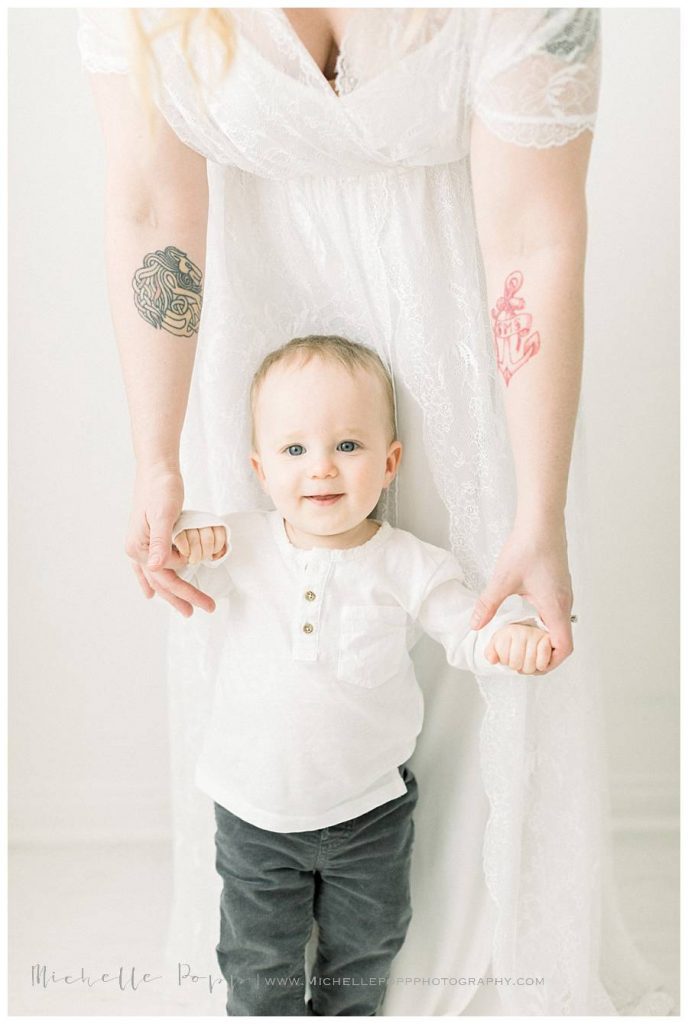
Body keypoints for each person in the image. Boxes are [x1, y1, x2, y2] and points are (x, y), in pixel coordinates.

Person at [76, 7, 673, 1015]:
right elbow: (149, 207)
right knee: (282, 680)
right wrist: (156, 455)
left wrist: (538, 502)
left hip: (463, 348)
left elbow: (531, 235)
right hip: (262, 374)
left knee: (472, 640)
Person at [168, 335, 551, 1015]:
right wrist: (186, 532)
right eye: (294, 450)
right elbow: (177, 559)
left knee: (366, 952)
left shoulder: (405, 562)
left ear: (389, 462)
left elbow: (465, 622)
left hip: (369, 814)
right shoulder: (244, 542)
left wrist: (509, 633)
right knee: (259, 964)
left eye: (347, 446)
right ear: (260, 468)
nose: (322, 469)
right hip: (255, 814)